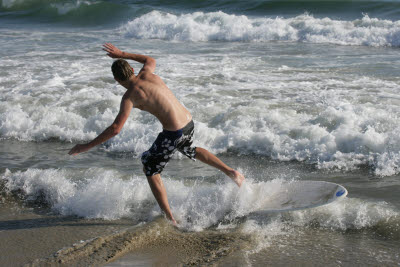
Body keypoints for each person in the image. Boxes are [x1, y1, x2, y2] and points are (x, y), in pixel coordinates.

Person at [68, 43, 245, 224]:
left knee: (149, 165)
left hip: (174, 132)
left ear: (117, 80)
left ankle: (170, 218)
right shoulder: (147, 74)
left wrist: (85, 146)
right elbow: (150, 59)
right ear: (132, 69)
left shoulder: (129, 96)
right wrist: (122, 53)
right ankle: (232, 173)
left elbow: (115, 129)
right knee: (188, 148)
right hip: (188, 122)